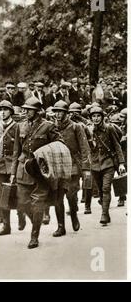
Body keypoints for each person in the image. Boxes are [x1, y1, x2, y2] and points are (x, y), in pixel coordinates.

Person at [11, 97, 63, 249]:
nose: (25, 111)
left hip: (41, 171)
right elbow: (16, 151)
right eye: (24, 109)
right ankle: (36, 221)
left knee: (38, 204)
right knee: (22, 202)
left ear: (38, 111)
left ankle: (34, 236)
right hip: (23, 169)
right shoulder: (19, 126)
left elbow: (59, 146)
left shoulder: (49, 126)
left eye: (29, 109)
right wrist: (13, 172)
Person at [51, 100, 91, 236]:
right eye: (55, 112)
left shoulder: (76, 127)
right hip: (56, 165)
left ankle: (73, 214)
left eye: (60, 112)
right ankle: (61, 226)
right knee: (57, 198)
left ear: (66, 113)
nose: (57, 115)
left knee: (71, 195)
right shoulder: (52, 127)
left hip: (73, 165)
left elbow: (85, 148)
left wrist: (86, 168)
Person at [89, 106, 126, 225]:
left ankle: (104, 214)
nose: (96, 118)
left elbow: (117, 146)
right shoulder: (89, 130)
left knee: (106, 188)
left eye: (98, 116)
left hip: (108, 162)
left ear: (102, 117)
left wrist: (121, 163)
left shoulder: (109, 128)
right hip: (95, 164)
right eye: (93, 116)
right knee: (100, 189)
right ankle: (106, 211)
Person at [0, 100, 26, 235]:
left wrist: (17, 165)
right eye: (0, 110)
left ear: (11, 112)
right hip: (0, 164)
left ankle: (21, 216)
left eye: (5, 110)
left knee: (17, 192)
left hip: (14, 163)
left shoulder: (17, 126)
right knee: (1, 194)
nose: (2, 112)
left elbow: (20, 147)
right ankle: (6, 225)